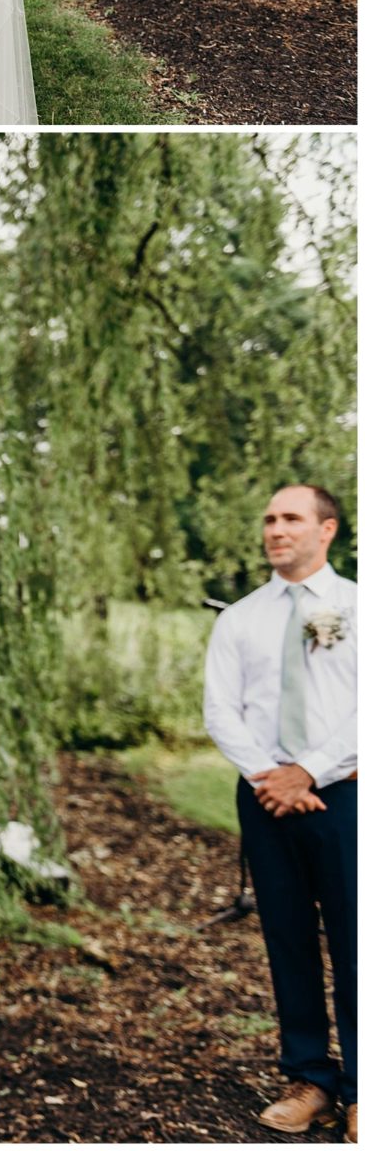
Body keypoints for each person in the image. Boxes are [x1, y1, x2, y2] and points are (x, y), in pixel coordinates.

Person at [203, 485, 356, 1141]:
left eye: (290, 518)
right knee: (286, 937)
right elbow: (219, 712)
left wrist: (309, 770)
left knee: (356, 941)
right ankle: (308, 1079)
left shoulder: (356, 606)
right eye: (267, 518)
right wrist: (273, 779)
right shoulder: (237, 618)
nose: (274, 529)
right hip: (264, 795)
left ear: (325, 530)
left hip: (345, 793)